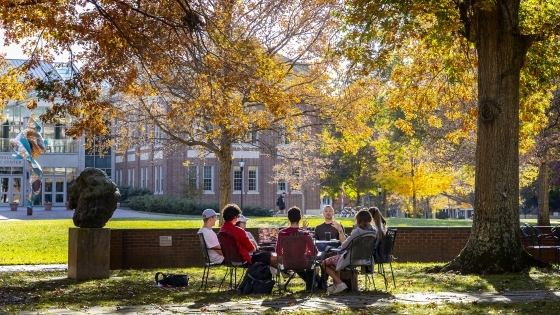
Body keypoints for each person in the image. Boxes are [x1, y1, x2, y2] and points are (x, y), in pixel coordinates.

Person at [322, 210, 377, 294]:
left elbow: (344, 245)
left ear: (358, 219)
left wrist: (340, 231)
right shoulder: (374, 232)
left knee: (324, 263)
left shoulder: (357, 231)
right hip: (366, 258)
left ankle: (340, 283)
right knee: (337, 261)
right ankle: (336, 286)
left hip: (351, 258)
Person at [276, 206, 323, 292]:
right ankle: (310, 287)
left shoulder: (281, 233)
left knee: (300, 260)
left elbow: (278, 251)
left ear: (288, 218)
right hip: (302, 262)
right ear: (300, 218)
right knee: (311, 261)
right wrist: (307, 252)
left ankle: (315, 284)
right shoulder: (305, 233)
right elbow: (314, 252)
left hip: (287, 263)